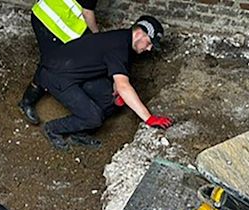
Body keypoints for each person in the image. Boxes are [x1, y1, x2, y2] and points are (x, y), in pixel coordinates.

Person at [37, 15, 174, 150]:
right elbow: (123, 86)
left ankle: (79, 133)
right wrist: (149, 118)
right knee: (93, 118)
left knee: (109, 99)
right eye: (149, 43)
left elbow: (117, 74)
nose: (149, 49)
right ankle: (53, 128)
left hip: (77, 73)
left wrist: (116, 86)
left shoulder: (124, 40)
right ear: (139, 33)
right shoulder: (119, 46)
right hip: (56, 75)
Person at [19, 0, 100, 125]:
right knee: (50, 63)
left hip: (52, 16)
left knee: (56, 60)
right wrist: (97, 35)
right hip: (49, 21)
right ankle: (27, 101)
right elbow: (87, 13)